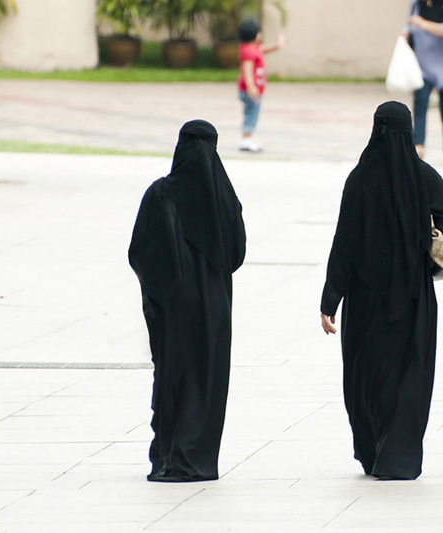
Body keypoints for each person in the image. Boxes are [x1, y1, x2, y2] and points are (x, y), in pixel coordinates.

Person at [320, 101, 443, 480]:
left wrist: (329, 300)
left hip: (364, 300)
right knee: (409, 374)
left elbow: (344, 243)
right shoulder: (424, 176)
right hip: (412, 297)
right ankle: (399, 456)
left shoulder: (360, 178)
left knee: (366, 375)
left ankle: (371, 450)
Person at [128, 120, 247, 482]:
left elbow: (138, 253)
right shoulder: (225, 199)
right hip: (213, 308)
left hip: (170, 308)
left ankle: (167, 455)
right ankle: (197, 458)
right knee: (206, 378)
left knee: (172, 377)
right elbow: (237, 254)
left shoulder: (159, 194)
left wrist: (162, 288)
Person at [405, 0, 443, 163]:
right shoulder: (417, 4)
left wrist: (424, 24)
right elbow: (410, 24)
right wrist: (405, 33)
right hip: (423, 64)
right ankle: (418, 145)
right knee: (420, 102)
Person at [237, 19, 283, 153]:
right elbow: (247, 69)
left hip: (254, 90)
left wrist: (276, 46)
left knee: (251, 112)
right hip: (250, 91)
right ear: (255, 35)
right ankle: (246, 140)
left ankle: (247, 138)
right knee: (252, 114)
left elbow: (262, 50)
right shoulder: (248, 51)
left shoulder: (252, 48)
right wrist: (251, 86)